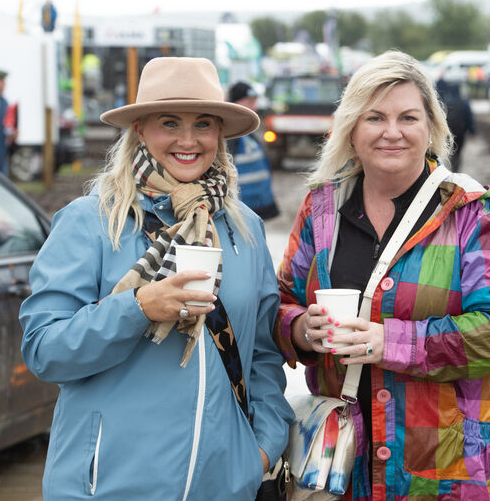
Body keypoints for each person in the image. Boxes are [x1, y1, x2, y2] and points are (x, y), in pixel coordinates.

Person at [19, 57, 293, 499]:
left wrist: (260, 447)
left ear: (219, 133)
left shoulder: (245, 227)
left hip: (223, 486)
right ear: (141, 128)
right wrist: (137, 308)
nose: (188, 140)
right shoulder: (90, 222)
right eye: (170, 123)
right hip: (106, 487)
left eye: (203, 124)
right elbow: (44, 351)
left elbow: (262, 353)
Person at [274, 51, 490, 500]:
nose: (391, 132)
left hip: (452, 469)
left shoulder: (472, 212)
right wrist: (299, 328)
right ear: (351, 129)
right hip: (346, 468)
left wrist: (388, 342)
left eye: (408, 117)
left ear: (430, 128)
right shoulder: (321, 209)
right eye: (375, 117)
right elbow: (280, 300)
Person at [226, 81, 279, 219]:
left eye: (255, 102)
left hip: (256, 206)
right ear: (236, 103)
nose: (254, 107)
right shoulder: (230, 134)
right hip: (241, 209)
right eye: (249, 102)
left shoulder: (247, 132)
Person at [435, 79, 475, 171]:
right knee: (458, 151)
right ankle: (456, 167)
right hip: (461, 132)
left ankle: (453, 164)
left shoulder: (446, 102)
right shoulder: (464, 103)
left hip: (449, 132)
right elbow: (469, 118)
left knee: (451, 151)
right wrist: (472, 132)